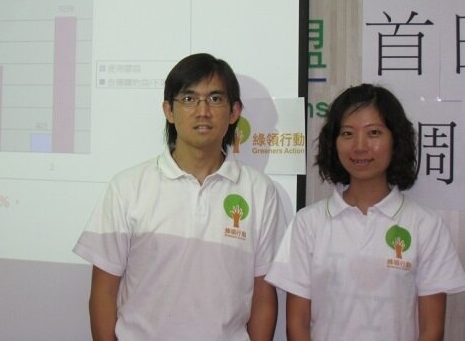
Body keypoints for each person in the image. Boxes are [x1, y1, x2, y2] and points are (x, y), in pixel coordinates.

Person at [73, 53, 284, 341]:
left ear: (234, 112)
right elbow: (103, 292)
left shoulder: (260, 192)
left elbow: (263, 296)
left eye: (215, 99)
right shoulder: (127, 187)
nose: (202, 111)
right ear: (169, 111)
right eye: (188, 99)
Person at [265, 83, 465, 341]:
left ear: (396, 140)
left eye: (374, 133)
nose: (359, 146)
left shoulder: (425, 225)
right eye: (347, 133)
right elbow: (297, 325)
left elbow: (431, 330)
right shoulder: (308, 223)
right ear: (334, 142)